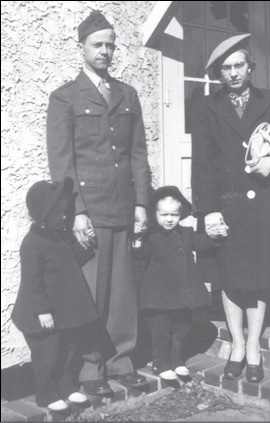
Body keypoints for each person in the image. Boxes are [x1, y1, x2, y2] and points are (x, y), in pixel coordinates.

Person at [46, 10, 150, 394]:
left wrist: (142, 203)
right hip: (89, 209)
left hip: (123, 205)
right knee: (93, 292)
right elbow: (63, 163)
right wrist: (77, 213)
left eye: (110, 44)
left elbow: (138, 154)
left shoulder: (127, 94)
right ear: (82, 48)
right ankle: (92, 369)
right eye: (97, 44)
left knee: (122, 292)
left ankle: (121, 360)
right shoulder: (65, 98)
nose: (105, 51)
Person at [191, 34, 270, 383]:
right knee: (229, 277)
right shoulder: (204, 107)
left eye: (238, 64)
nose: (233, 72)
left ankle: (254, 346)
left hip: (265, 203)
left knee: (257, 278)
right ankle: (237, 345)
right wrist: (208, 210)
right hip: (227, 206)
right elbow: (202, 163)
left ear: (250, 65)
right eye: (225, 68)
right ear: (218, 74)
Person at [11, 177, 99, 410]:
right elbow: (32, 282)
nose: (63, 216)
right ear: (40, 216)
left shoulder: (61, 236)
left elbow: (71, 264)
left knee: (68, 351)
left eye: (64, 210)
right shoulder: (32, 244)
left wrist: (86, 246)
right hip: (40, 315)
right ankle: (47, 395)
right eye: (57, 212)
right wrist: (42, 311)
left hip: (64, 313)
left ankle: (67, 387)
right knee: (47, 357)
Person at [132, 186, 226, 381]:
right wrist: (137, 240)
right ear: (154, 214)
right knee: (161, 330)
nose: (169, 219)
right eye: (164, 214)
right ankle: (161, 362)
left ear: (181, 214)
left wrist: (214, 237)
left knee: (182, 329)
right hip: (158, 296)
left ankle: (177, 360)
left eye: (174, 214)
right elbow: (140, 255)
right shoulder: (150, 234)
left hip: (183, 294)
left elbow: (203, 245)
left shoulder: (186, 233)